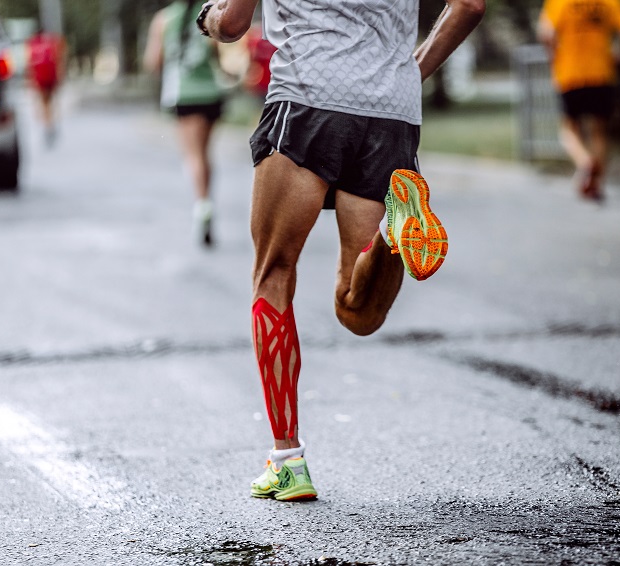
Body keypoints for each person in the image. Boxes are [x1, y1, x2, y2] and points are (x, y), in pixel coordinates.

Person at [197, 0, 485, 501]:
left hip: (309, 96)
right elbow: (470, 5)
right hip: (391, 112)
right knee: (357, 310)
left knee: (274, 272)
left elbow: (233, 23)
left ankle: (287, 461)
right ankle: (392, 236)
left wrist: (207, 16)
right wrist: (409, 72)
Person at [145, 0, 227, 247]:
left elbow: (153, 62)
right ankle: (206, 201)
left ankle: (202, 205)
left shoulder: (163, 19)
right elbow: (216, 54)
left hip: (183, 94)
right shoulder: (210, 11)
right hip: (211, 92)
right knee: (205, 154)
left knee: (193, 156)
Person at [538, 0, 620, 201]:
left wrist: (554, 57)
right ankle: (596, 184)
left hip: (569, 73)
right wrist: (619, 57)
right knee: (598, 131)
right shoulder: (611, 2)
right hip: (602, 72)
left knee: (569, 128)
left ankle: (585, 163)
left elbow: (546, 34)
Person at [27, 27, 66, 147]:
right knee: (52, 102)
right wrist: (60, 77)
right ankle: (52, 125)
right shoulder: (53, 42)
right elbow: (59, 60)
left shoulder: (32, 44)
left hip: (40, 79)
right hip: (51, 78)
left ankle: (48, 126)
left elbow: (30, 65)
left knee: (45, 104)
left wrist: (31, 82)